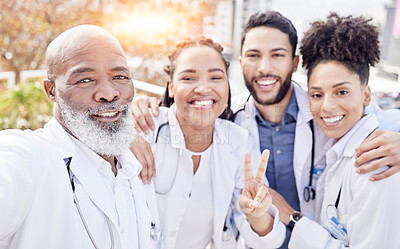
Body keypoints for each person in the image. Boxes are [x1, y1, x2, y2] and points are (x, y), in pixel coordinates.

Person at [130, 11, 400, 248]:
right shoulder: (229, 118)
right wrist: (130, 118)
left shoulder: (324, 110)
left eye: (277, 55)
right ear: (241, 62)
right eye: (253, 56)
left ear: (294, 64)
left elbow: (374, 121)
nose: (264, 68)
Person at [0, 25, 157, 249]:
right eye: (85, 80)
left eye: (120, 76)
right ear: (51, 90)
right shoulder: (29, 158)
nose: (109, 93)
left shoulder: (136, 163)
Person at [133, 37, 285, 249]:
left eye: (215, 77)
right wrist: (125, 128)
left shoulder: (238, 141)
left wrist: (257, 214)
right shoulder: (144, 127)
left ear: (227, 86)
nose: (203, 88)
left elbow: (270, 241)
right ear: (171, 88)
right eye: (188, 78)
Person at [271, 13, 400, 248]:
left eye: (341, 92)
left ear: (366, 95)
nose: (327, 107)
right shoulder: (335, 143)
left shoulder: (378, 164)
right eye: (317, 95)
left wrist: (291, 216)